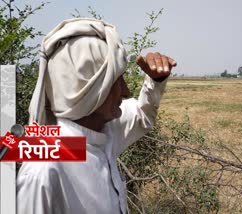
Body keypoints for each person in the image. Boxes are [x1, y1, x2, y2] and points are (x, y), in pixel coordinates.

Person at [16, 18, 176, 214]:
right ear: (87, 91)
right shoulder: (43, 170)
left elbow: (142, 114)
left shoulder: (103, 130)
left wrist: (156, 80)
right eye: (116, 81)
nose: (125, 91)